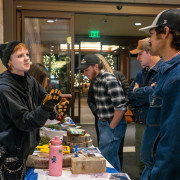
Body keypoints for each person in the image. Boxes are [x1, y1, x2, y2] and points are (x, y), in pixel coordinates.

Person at [0, 41, 62, 179]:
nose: (27, 58)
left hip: (23, 151)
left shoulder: (29, 80)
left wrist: (55, 106)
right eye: (20, 55)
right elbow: (25, 121)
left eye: (27, 54)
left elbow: (44, 99)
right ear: (9, 62)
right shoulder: (5, 88)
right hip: (10, 154)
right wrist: (46, 107)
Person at [138, 9, 180, 179]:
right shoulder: (166, 71)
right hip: (153, 166)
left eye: (152, 33)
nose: (149, 39)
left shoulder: (176, 77)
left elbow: (173, 142)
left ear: (166, 32)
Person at [78, 54, 127, 172]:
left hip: (112, 124)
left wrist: (111, 128)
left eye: (86, 70)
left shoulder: (109, 80)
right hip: (104, 123)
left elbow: (120, 108)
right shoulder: (96, 81)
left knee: (104, 161)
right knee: (113, 160)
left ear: (96, 66)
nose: (84, 73)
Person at [128, 37, 164, 176]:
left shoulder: (164, 70)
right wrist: (145, 91)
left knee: (154, 163)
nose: (137, 58)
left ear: (150, 52)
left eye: (140, 54)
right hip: (141, 122)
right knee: (141, 163)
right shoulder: (140, 73)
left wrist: (138, 91)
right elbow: (130, 97)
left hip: (156, 124)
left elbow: (157, 95)